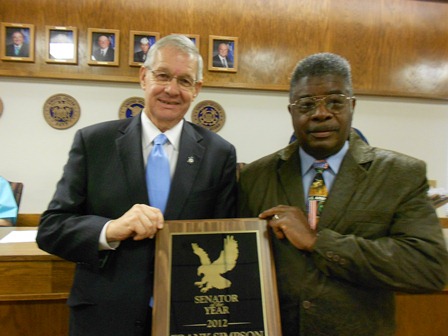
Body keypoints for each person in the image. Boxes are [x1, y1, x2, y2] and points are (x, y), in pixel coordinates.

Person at [36, 34, 237, 336]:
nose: (171, 89)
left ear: (197, 89)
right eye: (163, 75)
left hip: (187, 318)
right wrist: (109, 230)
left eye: (184, 81)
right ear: (143, 77)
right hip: (104, 320)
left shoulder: (220, 154)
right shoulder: (94, 143)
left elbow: (226, 238)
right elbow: (51, 229)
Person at [238, 52, 448, 336]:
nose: (321, 113)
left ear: (353, 106)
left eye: (335, 102)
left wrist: (318, 242)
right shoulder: (255, 177)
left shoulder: (400, 175)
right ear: (291, 112)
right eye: (306, 104)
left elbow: (430, 268)